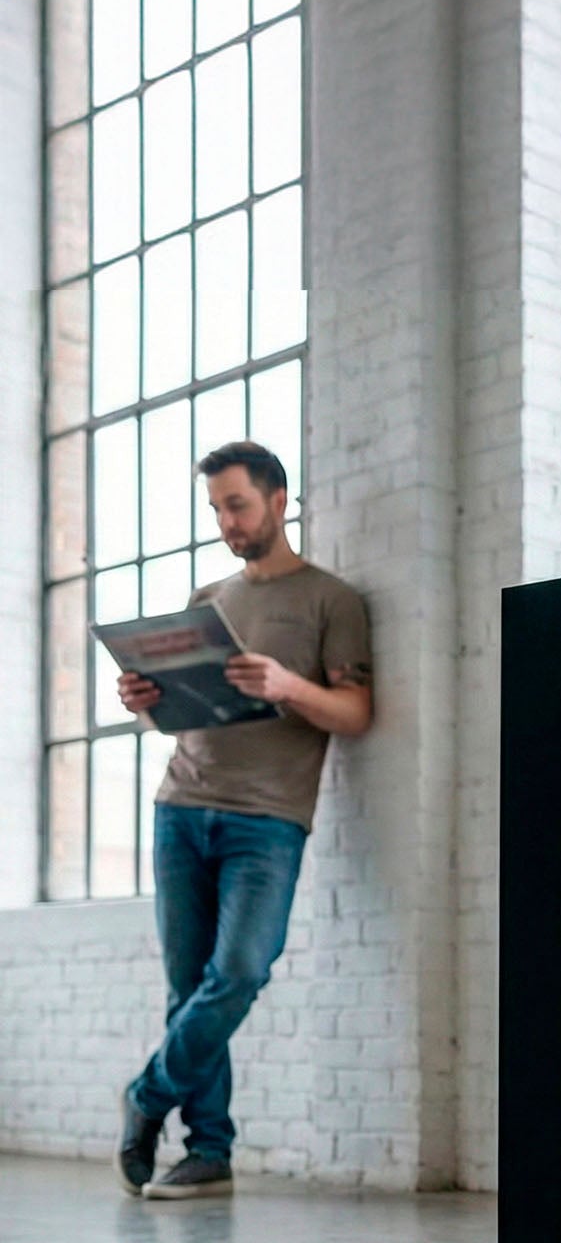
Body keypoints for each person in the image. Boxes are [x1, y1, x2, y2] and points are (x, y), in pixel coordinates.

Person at [114, 441, 373, 1200]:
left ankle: (146, 1096)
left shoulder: (332, 601)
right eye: (217, 510)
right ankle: (209, 1151)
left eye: (238, 505)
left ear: (278, 500)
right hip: (180, 809)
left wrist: (289, 683)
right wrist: (145, 704)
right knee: (186, 985)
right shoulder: (207, 600)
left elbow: (356, 713)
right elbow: (178, 721)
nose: (227, 522)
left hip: (267, 820)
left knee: (239, 972)